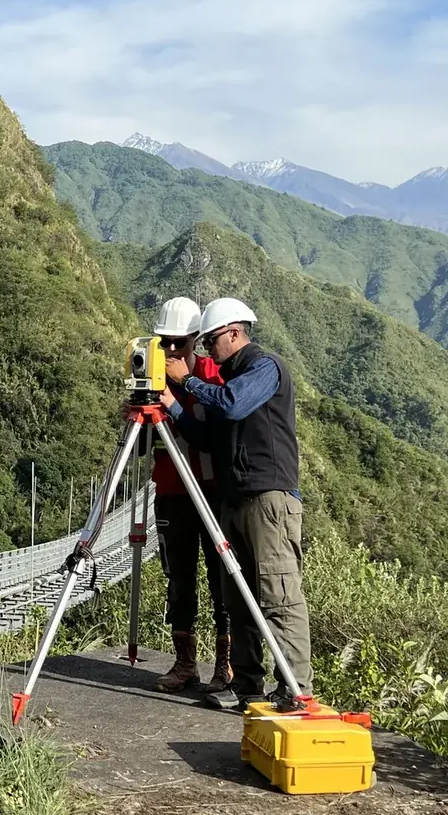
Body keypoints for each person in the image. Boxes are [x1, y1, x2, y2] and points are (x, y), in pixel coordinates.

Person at [161, 297, 312, 710]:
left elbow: (233, 404)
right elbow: (206, 436)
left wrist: (188, 381)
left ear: (234, 332)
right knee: (239, 599)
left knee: (278, 595)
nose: (207, 350)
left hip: (268, 498)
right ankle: (246, 686)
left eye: (210, 341)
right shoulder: (229, 378)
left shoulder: (264, 367)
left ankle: (295, 689)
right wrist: (170, 403)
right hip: (233, 501)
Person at [147, 297, 232, 695]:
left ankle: (225, 666)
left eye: (179, 343)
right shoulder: (151, 376)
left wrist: (179, 389)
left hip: (212, 492)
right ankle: (185, 665)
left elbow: (215, 434)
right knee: (179, 580)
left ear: (195, 340)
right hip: (171, 492)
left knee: (222, 580)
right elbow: (145, 443)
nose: (171, 352)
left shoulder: (215, 375)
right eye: (164, 343)